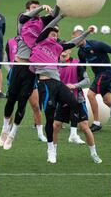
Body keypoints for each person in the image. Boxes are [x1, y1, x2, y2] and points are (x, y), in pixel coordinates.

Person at [1, 0, 60, 150]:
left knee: (22, 103)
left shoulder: (40, 23)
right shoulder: (23, 20)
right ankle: (4, 129)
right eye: (33, 8)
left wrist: (61, 5)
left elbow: (54, 16)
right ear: (28, 10)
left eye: (37, 7)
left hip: (30, 70)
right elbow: (28, 15)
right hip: (18, 66)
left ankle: (13, 133)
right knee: (11, 100)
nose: (36, 11)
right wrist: (40, 8)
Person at [30, 26, 93, 163]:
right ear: (46, 35)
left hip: (58, 84)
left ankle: (73, 133)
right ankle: (51, 150)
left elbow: (74, 42)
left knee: (75, 103)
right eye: (52, 34)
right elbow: (45, 29)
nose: (54, 36)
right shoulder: (39, 43)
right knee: (50, 119)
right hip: (45, 85)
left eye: (56, 35)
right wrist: (59, 16)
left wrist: (87, 32)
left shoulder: (58, 48)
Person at [53, 48, 102, 164]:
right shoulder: (54, 64)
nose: (63, 52)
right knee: (55, 126)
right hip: (63, 101)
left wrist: (74, 86)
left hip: (77, 100)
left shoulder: (77, 64)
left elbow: (87, 80)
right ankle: (53, 153)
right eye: (61, 49)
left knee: (85, 128)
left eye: (66, 49)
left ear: (69, 51)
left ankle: (94, 153)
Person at [76, 31, 111, 132]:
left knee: (90, 95)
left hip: (106, 73)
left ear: (83, 38)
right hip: (98, 75)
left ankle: (96, 123)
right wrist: (80, 78)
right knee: (108, 100)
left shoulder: (97, 45)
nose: (74, 42)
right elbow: (83, 66)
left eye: (76, 39)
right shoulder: (81, 52)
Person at [3, 35, 47, 142]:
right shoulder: (11, 42)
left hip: (30, 77)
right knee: (11, 103)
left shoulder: (35, 40)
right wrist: (11, 72)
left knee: (36, 106)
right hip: (15, 76)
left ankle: (40, 133)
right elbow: (5, 60)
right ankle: (6, 130)